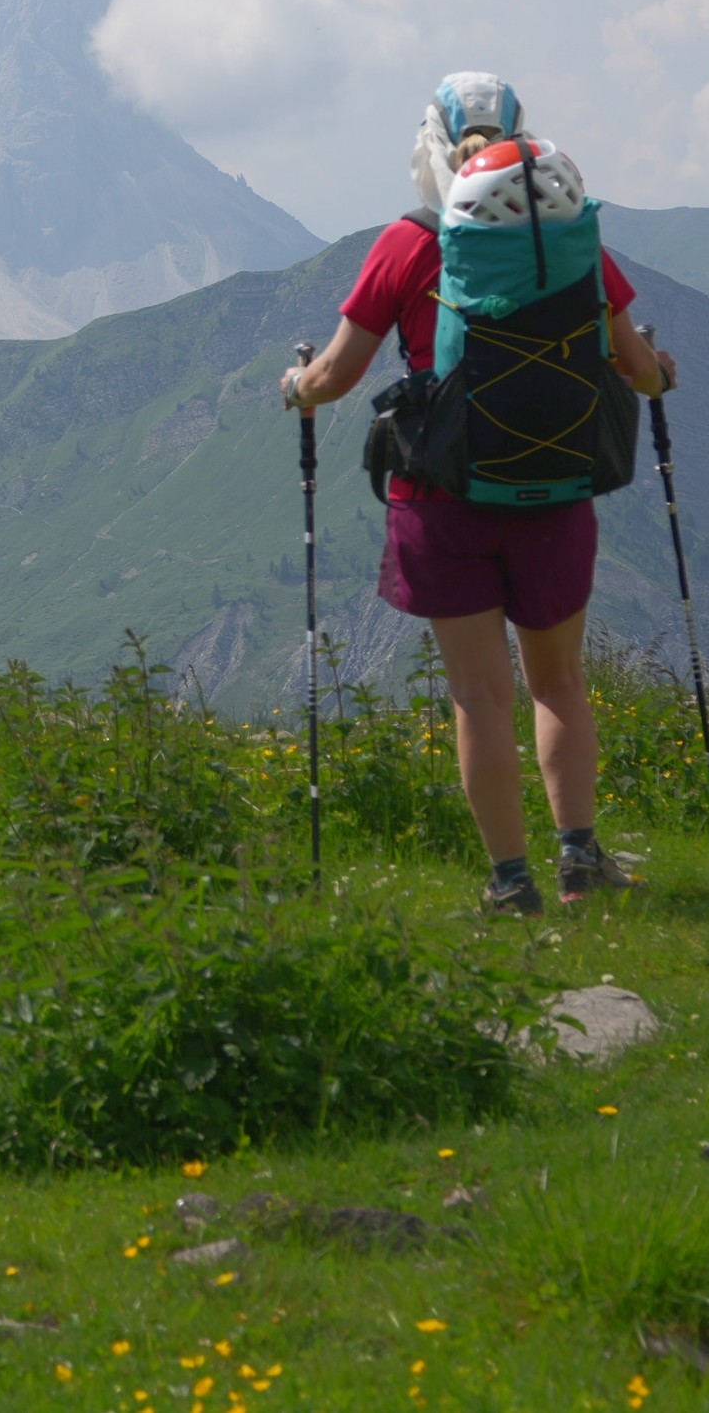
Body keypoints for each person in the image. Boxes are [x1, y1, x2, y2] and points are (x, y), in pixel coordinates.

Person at [279, 73, 677, 914]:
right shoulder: (569, 241)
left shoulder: (409, 241)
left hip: (442, 496)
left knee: (478, 695)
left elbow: (336, 376)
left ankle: (511, 882)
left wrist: (295, 387)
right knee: (558, 683)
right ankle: (580, 861)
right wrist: (659, 366)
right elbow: (641, 373)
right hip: (556, 491)